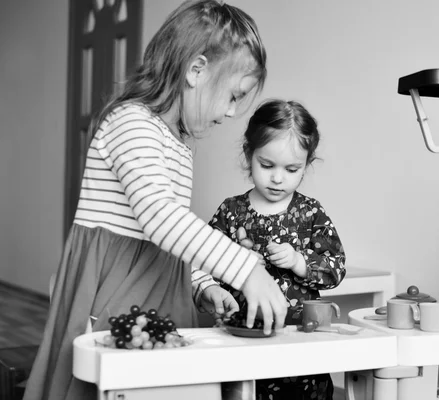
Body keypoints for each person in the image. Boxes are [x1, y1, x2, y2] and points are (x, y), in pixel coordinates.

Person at [23, 1, 287, 399]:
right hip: (118, 289)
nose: (233, 112)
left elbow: (175, 227)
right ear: (196, 71)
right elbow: (159, 216)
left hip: (159, 290)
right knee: (108, 384)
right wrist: (246, 270)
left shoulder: (178, 144)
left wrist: (200, 284)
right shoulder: (131, 122)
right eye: (233, 96)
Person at [209, 99, 346, 400]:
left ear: (307, 165)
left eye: (292, 168)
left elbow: (335, 268)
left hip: (301, 347)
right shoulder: (231, 211)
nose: (277, 178)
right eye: (267, 165)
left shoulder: (311, 212)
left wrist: (299, 261)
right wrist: (235, 264)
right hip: (242, 344)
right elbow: (203, 271)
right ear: (249, 154)